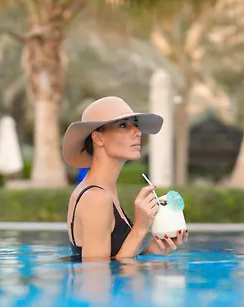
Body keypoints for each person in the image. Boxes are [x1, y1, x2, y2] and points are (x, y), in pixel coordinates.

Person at [62, 96, 188, 262]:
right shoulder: (96, 198)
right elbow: (95, 272)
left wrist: (152, 251)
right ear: (98, 138)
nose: (137, 132)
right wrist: (140, 227)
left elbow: (114, 262)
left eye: (135, 124)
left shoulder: (104, 191)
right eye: (123, 125)